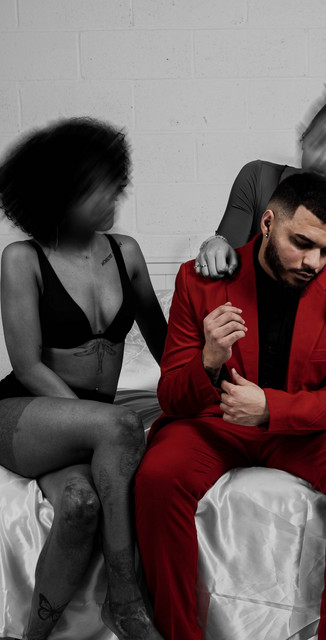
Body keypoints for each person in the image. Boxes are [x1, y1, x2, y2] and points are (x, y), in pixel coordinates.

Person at [135, 172, 326, 640]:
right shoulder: (198, 279)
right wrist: (209, 360)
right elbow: (171, 397)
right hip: (214, 425)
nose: (314, 262)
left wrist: (270, 408)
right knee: (157, 475)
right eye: (302, 243)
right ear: (269, 223)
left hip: (301, 430)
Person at [0, 118, 166, 640]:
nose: (110, 196)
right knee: (120, 426)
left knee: (80, 506)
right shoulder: (22, 259)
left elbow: (166, 345)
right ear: (59, 194)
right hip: (24, 414)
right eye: (93, 188)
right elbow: (27, 365)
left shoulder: (126, 252)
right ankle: (126, 600)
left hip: (90, 429)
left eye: (111, 183)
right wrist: (95, 423)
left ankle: (31, 638)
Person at [195, 76, 326, 318]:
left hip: (310, 328)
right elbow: (226, 269)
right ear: (304, 136)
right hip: (241, 320)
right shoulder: (256, 177)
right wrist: (215, 244)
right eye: (321, 140)